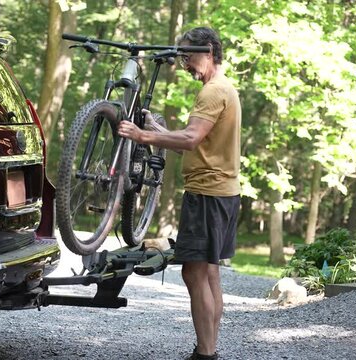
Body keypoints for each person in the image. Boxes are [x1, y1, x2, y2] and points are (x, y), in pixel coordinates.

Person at [117, 27, 241, 360]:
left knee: (193, 272)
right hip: (224, 194)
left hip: (207, 195)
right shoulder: (224, 88)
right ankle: (210, 347)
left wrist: (143, 137)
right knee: (209, 270)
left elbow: (189, 140)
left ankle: (206, 354)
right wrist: (159, 131)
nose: (185, 63)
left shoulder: (213, 92)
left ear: (210, 51)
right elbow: (196, 140)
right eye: (182, 56)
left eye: (190, 55)